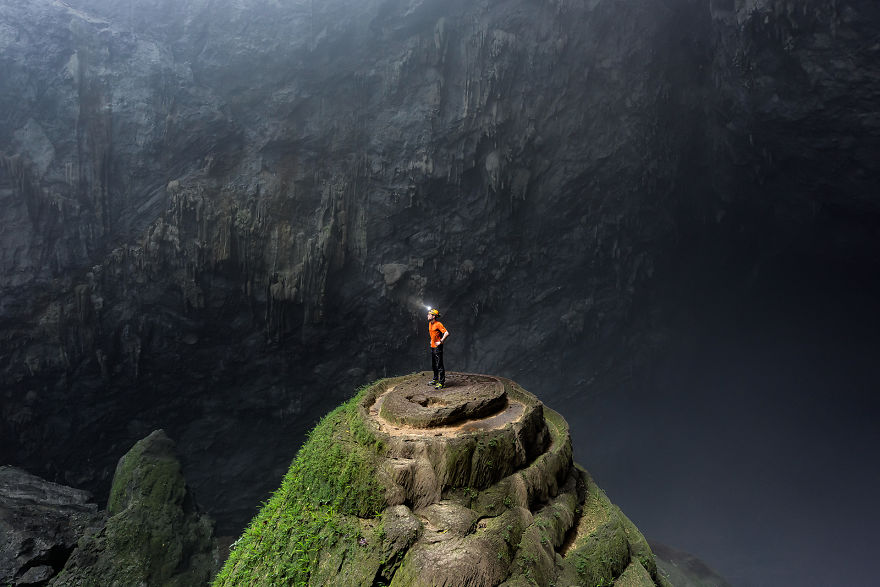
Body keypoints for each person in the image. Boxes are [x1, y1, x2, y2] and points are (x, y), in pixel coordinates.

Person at [427, 308, 449, 388]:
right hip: (432, 347)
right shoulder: (430, 324)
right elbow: (433, 333)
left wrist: (441, 341)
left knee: (439, 365)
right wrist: (432, 340)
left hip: (438, 348)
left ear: (433, 316)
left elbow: (446, 333)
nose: (427, 315)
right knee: (434, 365)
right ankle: (435, 379)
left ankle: (441, 383)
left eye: (429, 314)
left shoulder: (438, 324)